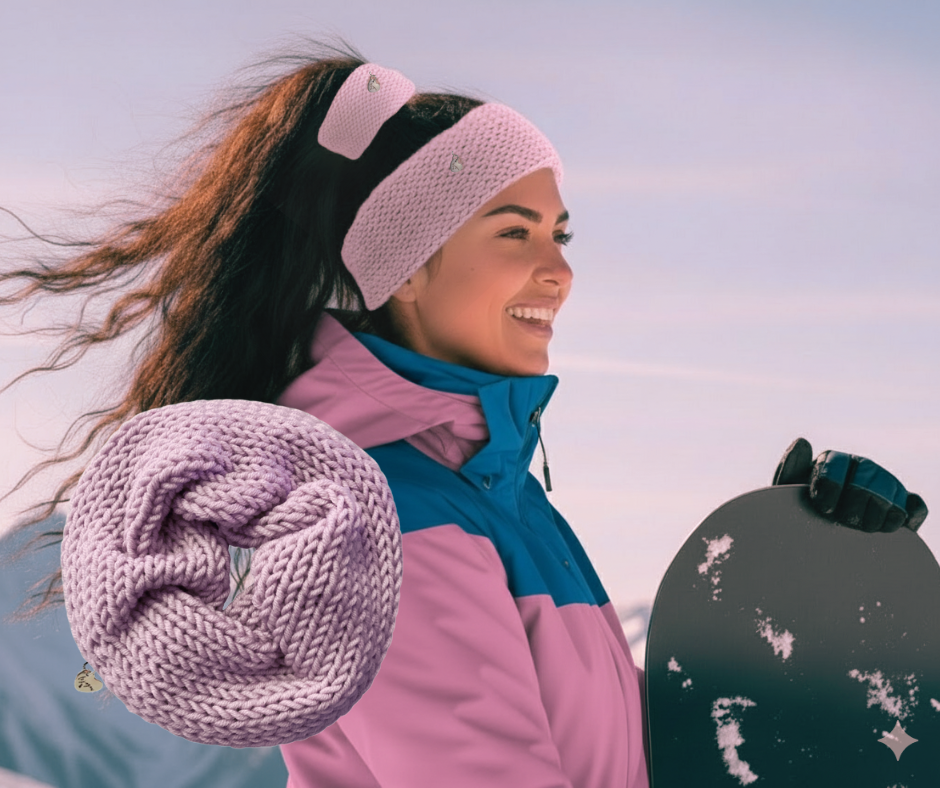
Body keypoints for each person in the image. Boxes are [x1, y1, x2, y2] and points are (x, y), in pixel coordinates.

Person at [0, 39, 926, 788]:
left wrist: (784, 589)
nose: (558, 271)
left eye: (559, 233)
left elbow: (619, 760)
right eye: (512, 232)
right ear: (406, 266)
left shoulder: (487, 494)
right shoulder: (386, 524)